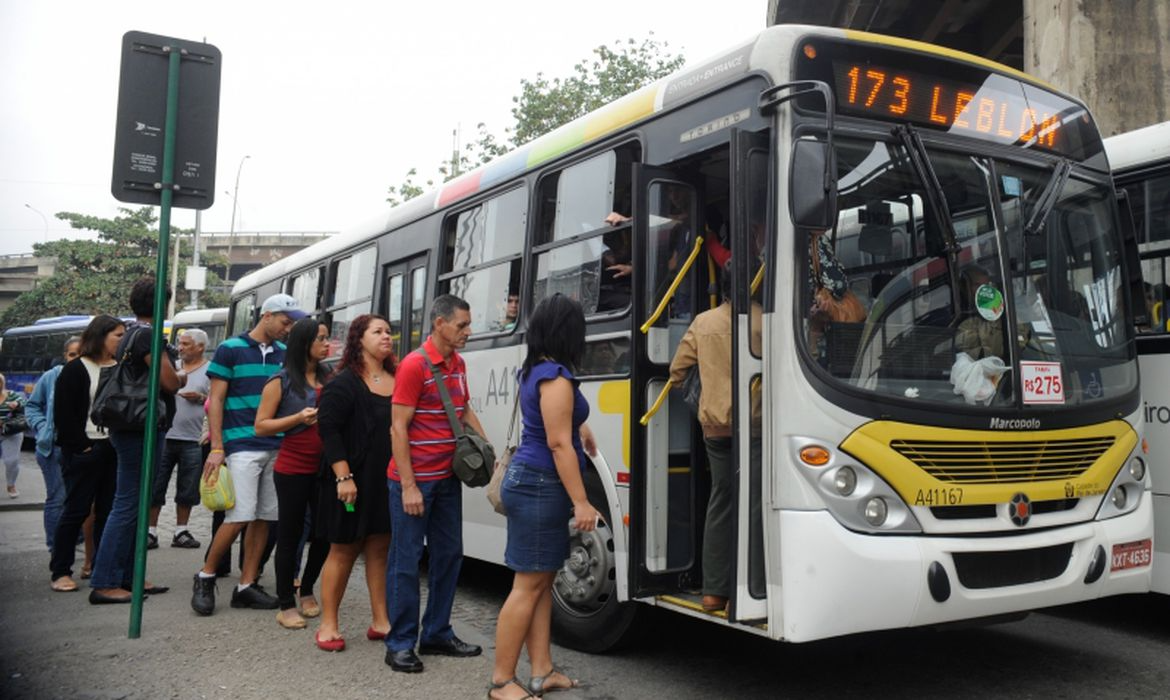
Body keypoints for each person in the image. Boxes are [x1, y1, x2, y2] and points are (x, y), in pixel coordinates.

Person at [488, 294, 598, 700]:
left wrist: (581, 429)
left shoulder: (539, 369)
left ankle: (541, 671)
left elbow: (561, 425)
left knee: (541, 583)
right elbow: (556, 443)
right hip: (539, 485)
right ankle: (502, 682)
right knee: (527, 586)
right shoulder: (555, 376)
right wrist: (582, 501)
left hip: (535, 483)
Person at [385, 294, 486, 673]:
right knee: (406, 562)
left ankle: (437, 633)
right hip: (414, 483)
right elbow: (398, 427)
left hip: (447, 480)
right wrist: (409, 486)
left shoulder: (457, 363)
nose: (467, 332)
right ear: (439, 323)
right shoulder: (414, 365)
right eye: (461, 325)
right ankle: (400, 643)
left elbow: (462, 409)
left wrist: (487, 447)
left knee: (449, 557)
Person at [191, 293, 305, 615]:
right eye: (285, 321)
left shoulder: (286, 353)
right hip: (241, 444)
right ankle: (206, 575)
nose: (289, 327)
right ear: (267, 316)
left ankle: (247, 584)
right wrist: (217, 446)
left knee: (266, 518)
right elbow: (216, 401)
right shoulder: (230, 349)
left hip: (277, 444)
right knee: (240, 514)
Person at [668, 270, 762, 613]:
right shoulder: (764, 322)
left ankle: (713, 592)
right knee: (755, 503)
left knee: (721, 501)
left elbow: (677, 372)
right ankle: (757, 586)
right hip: (755, 427)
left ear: (719, 290)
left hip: (715, 429)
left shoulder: (703, 322)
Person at [88, 277, 181, 604]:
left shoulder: (129, 332)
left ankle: (128, 576)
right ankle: (105, 581)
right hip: (140, 427)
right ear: (163, 303)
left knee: (134, 504)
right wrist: (181, 375)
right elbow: (168, 382)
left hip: (130, 426)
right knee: (128, 503)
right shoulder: (148, 336)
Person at [314, 314, 395, 650]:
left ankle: (381, 621)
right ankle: (328, 623)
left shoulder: (397, 378)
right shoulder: (343, 382)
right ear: (359, 338)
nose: (386, 337)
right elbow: (328, 431)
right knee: (344, 549)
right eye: (378, 332)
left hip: (384, 479)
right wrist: (343, 476)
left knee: (379, 550)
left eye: (389, 331)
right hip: (349, 480)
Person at [254, 318, 332, 631]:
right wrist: (298, 417)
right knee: (290, 534)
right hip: (293, 469)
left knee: (326, 535)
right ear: (305, 344)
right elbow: (261, 425)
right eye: (322, 339)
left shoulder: (331, 377)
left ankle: (308, 588)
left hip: (327, 469)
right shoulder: (281, 380)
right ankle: (286, 602)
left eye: (328, 339)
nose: (328, 345)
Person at [48, 315, 124, 593]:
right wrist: (83, 446)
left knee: (109, 511)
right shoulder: (76, 369)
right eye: (117, 335)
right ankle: (60, 570)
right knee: (76, 510)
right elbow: (64, 415)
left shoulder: (122, 367)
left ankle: (103, 569)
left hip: (114, 448)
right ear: (101, 336)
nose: (121, 339)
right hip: (84, 449)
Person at [147, 328, 210, 550]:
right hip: (165, 435)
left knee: (188, 488)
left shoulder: (210, 370)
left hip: (193, 438)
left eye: (186, 344)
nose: (181, 348)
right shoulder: (171, 367)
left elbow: (218, 401)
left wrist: (201, 398)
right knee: (156, 485)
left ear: (201, 347)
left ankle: (181, 531)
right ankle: (151, 531)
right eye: (180, 344)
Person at [25, 336, 81, 549]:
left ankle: (74, 539)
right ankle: (55, 546)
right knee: (57, 497)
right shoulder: (51, 377)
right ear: (65, 356)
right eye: (72, 354)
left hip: (79, 447)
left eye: (81, 354)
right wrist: (42, 427)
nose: (76, 358)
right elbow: (32, 406)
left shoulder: (91, 376)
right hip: (53, 447)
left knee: (77, 497)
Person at [0, 373, 28, 498]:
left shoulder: (11, 395)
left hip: (11, 432)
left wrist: (17, 404)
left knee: (11, 460)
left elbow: (26, 403)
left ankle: (11, 485)